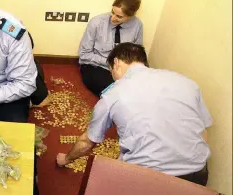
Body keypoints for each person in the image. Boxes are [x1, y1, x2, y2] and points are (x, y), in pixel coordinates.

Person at [57, 43, 212, 186]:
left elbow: (87, 142)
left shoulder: (112, 95)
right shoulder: (187, 82)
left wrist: (66, 159)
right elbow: (203, 132)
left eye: (111, 71)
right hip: (197, 173)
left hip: (146, 178)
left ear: (116, 63)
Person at [78, 0, 143, 97]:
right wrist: (112, 65)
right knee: (114, 90)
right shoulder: (96, 23)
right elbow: (84, 54)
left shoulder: (137, 25)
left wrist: (126, 68)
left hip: (124, 68)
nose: (113, 18)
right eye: (112, 12)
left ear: (131, 16)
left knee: (140, 89)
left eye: (119, 16)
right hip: (97, 66)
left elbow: (137, 54)